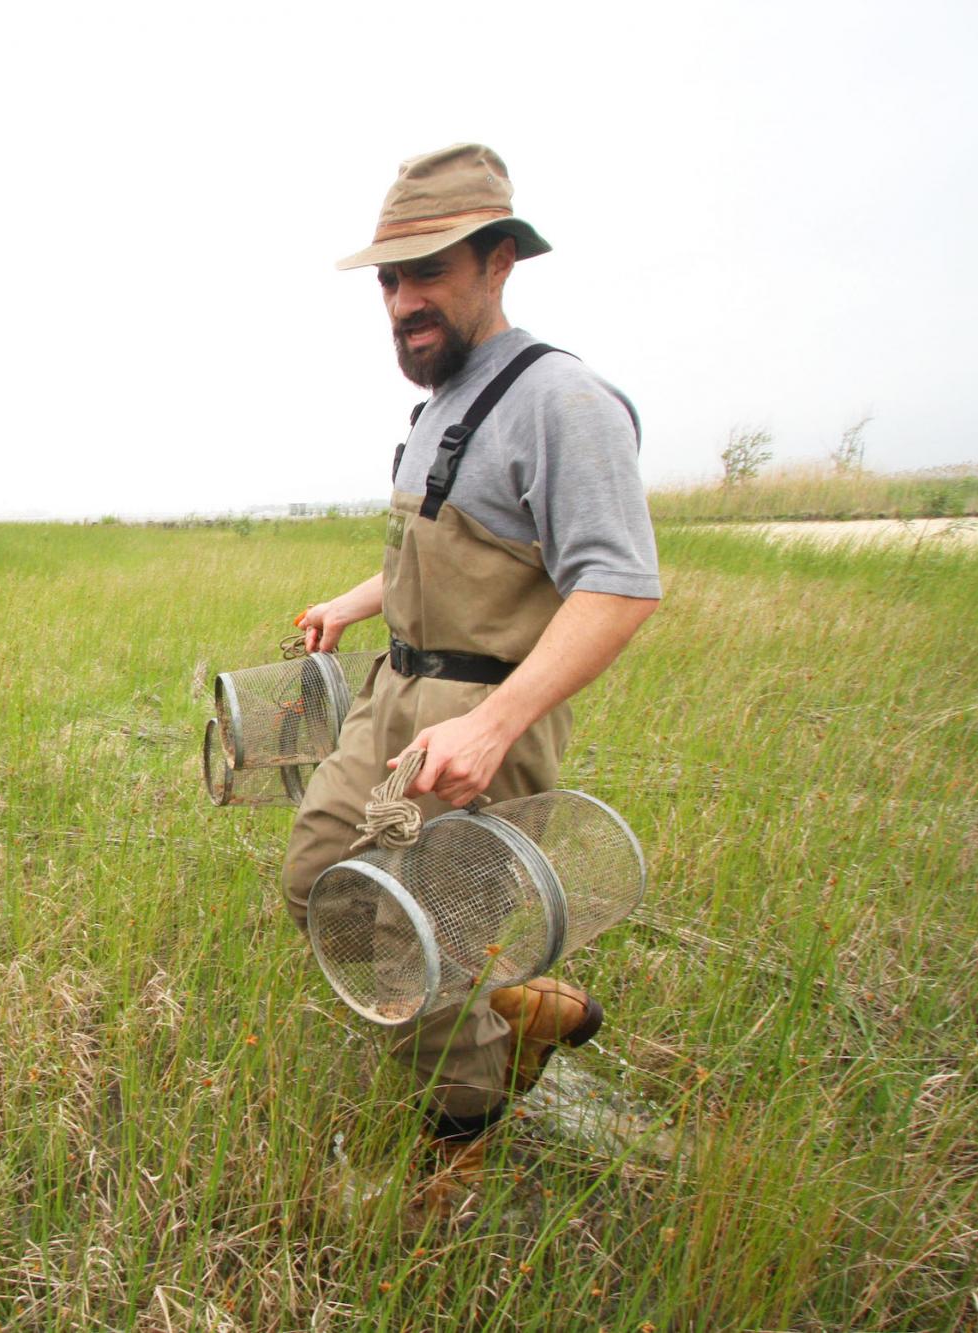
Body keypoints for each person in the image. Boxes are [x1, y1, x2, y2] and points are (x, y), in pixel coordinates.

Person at [286, 143, 661, 1180]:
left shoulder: (564, 401)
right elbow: (438, 550)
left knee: (418, 951)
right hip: (393, 696)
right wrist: (351, 605)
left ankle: (456, 1153)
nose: (402, 299)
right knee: (318, 877)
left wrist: (494, 725)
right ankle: (519, 1007)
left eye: (428, 271)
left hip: (478, 722)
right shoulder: (440, 403)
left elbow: (619, 584)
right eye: (389, 279)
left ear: (498, 262)